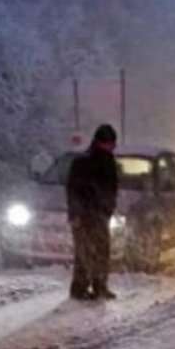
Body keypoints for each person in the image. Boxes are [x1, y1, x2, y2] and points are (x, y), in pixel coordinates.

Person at [65, 124, 119, 300]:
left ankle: (100, 286)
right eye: (110, 143)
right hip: (85, 215)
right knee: (85, 253)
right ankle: (80, 288)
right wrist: (75, 214)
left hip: (100, 214)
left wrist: (108, 208)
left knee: (101, 251)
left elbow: (111, 189)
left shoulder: (109, 162)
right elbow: (73, 190)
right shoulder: (84, 162)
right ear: (101, 142)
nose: (112, 147)